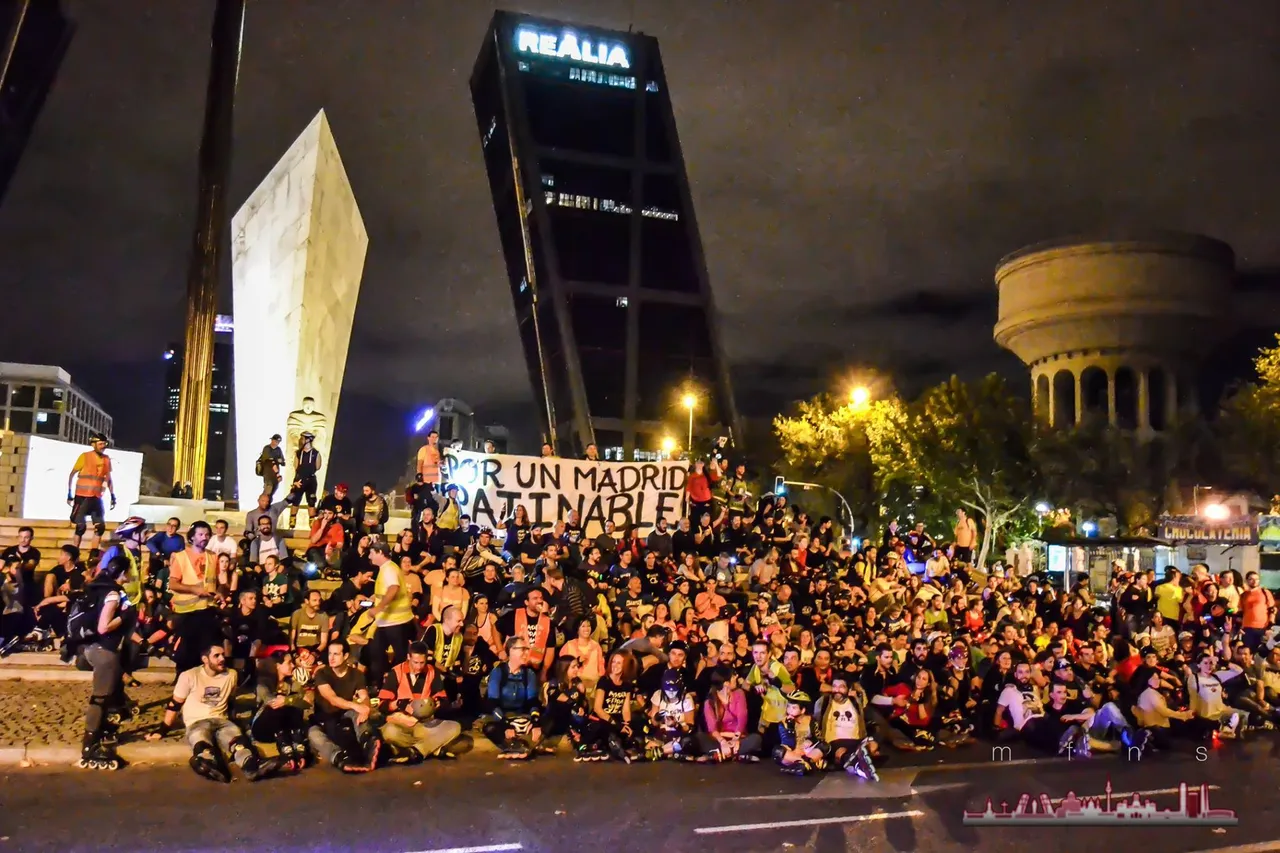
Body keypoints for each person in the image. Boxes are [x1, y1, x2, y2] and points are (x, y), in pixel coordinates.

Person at [147, 642, 283, 783]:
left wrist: (235, 720)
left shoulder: (231, 675)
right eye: (216, 656)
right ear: (205, 659)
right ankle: (206, 762)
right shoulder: (189, 676)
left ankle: (251, 767)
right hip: (197, 720)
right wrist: (162, 730)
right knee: (200, 739)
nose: (222, 659)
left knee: (237, 741)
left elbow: (230, 700)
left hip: (221, 720)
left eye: (223, 655)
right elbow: (175, 705)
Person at [72, 552, 136, 770]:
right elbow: (103, 626)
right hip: (104, 652)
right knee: (99, 698)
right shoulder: (113, 594)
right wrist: (124, 617)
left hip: (91, 648)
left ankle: (105, 728)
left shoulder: (98, 586)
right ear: (122, 573)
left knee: (110, 694)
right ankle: (89, 744)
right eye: (129, 570)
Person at [378, 642, 464, 762]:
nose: (419, 667)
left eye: (422, 663)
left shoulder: (432, 672)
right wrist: (398, 704)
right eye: (415, 662)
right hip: (402, 723)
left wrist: (438, 703)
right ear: (408, 657)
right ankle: (433, 747)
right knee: (388, 732)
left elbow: (444, 699)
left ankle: (415, 750)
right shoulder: (396, 673)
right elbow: (381, 705)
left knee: (455, 727)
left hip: (425, 724)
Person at [309, 639, 383, 772]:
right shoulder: (322, 674)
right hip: (325, 718)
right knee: (313, 734)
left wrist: (365, 708)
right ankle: (339, 757)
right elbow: (332, 699)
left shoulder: (356, 674)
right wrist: (356, 706)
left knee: (358, 713)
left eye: (336, 654)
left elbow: (364, 696)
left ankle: (368, 742)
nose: (331, 658)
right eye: (330, 654)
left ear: (346, 656)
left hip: (345, 714)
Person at [169, 521, 221, 676]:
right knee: (186, 651)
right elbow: (173, 583)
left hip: (207, 610)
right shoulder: (180, 557)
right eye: (200, 534)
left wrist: (219, 592)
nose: (204, 537)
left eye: (207, 534)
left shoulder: (213, 557)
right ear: (192, 537)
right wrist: (193, 590)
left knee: (204, 650)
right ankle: (182, 684)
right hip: (187, 612)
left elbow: (217, 581)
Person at [365, 540, 415, 694]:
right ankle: (380, 686)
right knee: (376, 654)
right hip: (387, 622)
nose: (369, 556)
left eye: (372, 553)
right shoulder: (387, 568)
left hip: (395, 622)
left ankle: (401, 687)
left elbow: (393, 588)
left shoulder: (388, 569)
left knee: (399, 657)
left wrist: (378, 608)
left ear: (380, 552)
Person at [484, 636, 544, 759]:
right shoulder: (498, 672)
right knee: (489, 728)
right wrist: (505, 724)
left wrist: (535, 721)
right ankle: (512, 745)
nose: (526, 653)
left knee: (548, 720)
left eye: (527, 649)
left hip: (521, 717)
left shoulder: (529, 673)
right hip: (502, 716)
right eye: (523, 649)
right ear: (511, 650)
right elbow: (492, 703)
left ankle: (526, 744)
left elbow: (533, 700)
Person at [67, 433, 116, 549]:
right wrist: (69, 493)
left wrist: (113, 495)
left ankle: (93, 553)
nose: (103, 446)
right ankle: (75, 551)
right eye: (100, 444)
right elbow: (72, 474)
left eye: (104, 444)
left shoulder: (106, 459)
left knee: (100, 527)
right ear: (93, 445)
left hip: (96, 497)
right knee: (80, 527)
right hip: (82, 497)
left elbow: (108, 479)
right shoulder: (85, 456)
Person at [286, 432, 323, 530]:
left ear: (308, 440)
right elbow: (296, 466)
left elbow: (318, 466)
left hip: (311, 480)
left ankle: (312, 523)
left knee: (311, 501)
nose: (301, 440)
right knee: (296, 500)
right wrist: (296, 480)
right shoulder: (298, 453)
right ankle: (292, 522)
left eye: (303, 438)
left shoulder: (315, 453)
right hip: (300, 480)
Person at [256, 434, 286, 498]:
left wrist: (279, 461)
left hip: (275, 475)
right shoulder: (267, 448)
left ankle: (267, 505)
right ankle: (262, 505)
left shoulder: (278, 449)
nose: (277, 443)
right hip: (268, 473)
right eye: (276, 441)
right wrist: (277, 460)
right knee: (267, 491)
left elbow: (282, 461)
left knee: (272, 492)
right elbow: (269, 461)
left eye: (278, 442)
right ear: (272, 440)